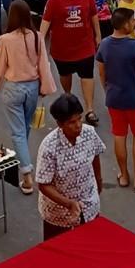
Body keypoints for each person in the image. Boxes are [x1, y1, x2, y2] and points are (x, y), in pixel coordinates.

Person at [0, 0, 56, 196]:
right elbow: (44, 64)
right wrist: (44, 86)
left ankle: (26, 174)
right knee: (23, 129)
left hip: (13, 89)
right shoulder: (37, 36)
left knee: (17, 132)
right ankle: (23, 162)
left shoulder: (5, 40)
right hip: (32, 88)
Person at [97, 8, 135, 193]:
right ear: (124, 24)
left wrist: (107, 88)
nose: (134, 24)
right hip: (134, 97)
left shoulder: (105, 45)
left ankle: (123, 175)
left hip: (114, 97)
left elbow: (101, 72)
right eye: (132, 21)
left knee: (119, 135)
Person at [35, 93, 105, 240]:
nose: (78, 125)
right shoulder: (49, 147)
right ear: (60, 124)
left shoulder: (89, 133)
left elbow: (95, 156)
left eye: (79, 118)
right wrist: (69, 204)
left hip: (89, 204)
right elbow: (43, 184)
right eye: (72, 122)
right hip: (58, 214)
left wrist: (98, 182)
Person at [41, 0, 101, 125]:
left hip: (85, 46)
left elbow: (94, 16)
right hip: (62, 49)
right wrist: (39, 40)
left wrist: (98, 36)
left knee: (87, 75)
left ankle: (89, 109)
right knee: (65, 75)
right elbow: (46, 20)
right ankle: (68, 98)